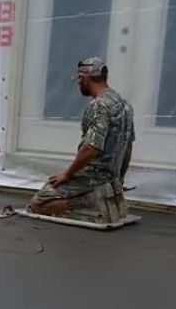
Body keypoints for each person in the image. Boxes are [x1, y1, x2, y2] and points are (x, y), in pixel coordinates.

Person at [29, 57, 135, 216]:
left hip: (94, 176)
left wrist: (67, 174)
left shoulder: (99, 106)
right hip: (110, 177)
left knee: (38, 204)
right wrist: (119, 179)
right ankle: (108, 198)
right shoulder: (124, 104)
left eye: (79, 79)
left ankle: (93, 201)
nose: (78, 84)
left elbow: (91, 148)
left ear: (84, 78)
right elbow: (127, 146)